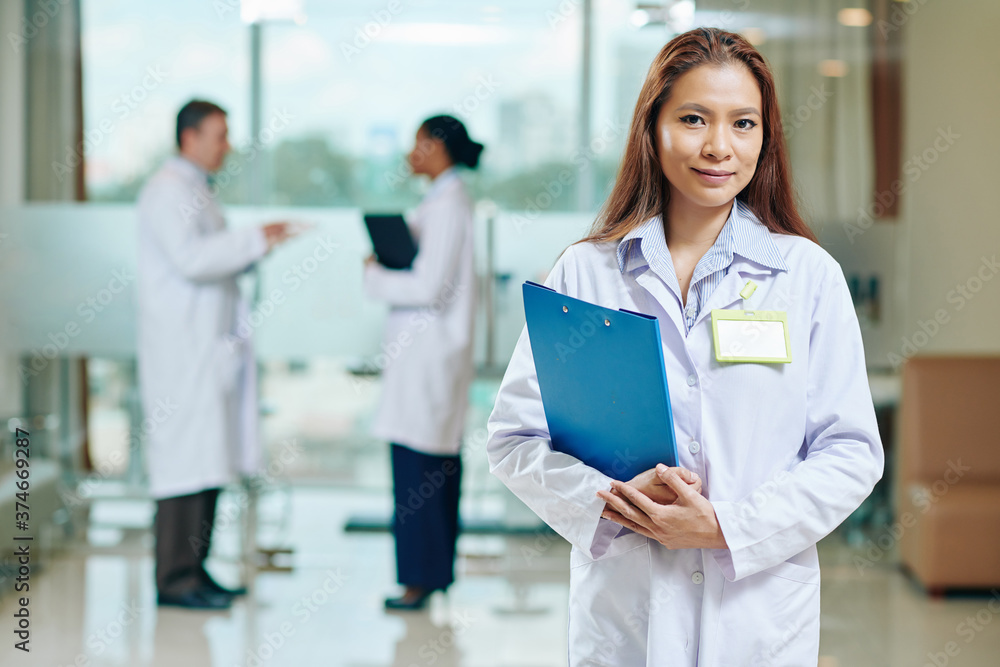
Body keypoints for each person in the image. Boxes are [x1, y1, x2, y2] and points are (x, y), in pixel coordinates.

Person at [486, 27, 884, 665]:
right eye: (693, 118)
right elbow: (515, 440)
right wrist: (617, 504)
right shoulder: (586, 274)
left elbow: (850, 454)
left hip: (756, 625)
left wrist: (729, 528)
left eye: (743, 123)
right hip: (626, 623)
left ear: (766, 136)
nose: (719, 146)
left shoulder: (807, 275)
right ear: (653, 128)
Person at [136, 100, 293, 610]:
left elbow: (213, 257)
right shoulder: (166, 191)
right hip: (181, 353)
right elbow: (190, 259)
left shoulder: (196, 190)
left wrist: (252, 246)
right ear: (189, 137)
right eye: (219, 136)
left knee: (208, 460)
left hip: (205, 349)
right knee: (184, 464)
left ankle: (196, 570)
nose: (226, 146)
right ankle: (174, 579)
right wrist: (252, 240)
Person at [363, 115, 483, 611]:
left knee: (419, 468)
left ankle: (420, 579)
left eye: (418, 144)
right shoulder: (440, 202)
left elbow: (428, 287)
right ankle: (431, 574)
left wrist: (374, 277)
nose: (411, 154)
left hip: (429, 356)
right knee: (430, 462)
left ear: (438, 148)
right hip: (428, 356)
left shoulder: (448, 207)